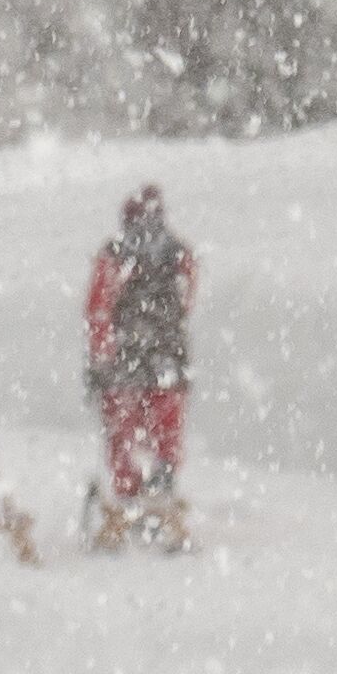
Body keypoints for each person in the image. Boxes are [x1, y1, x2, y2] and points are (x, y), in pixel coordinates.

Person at [82, 184, 195, 552]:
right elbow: (187, 299)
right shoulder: (178, 255)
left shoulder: (114, 255)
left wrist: (102, 357)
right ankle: (159, 491)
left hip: (123, 364)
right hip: (167, 360)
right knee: (165, 429)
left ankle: (128, 498)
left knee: (123, 433)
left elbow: (99, 309)